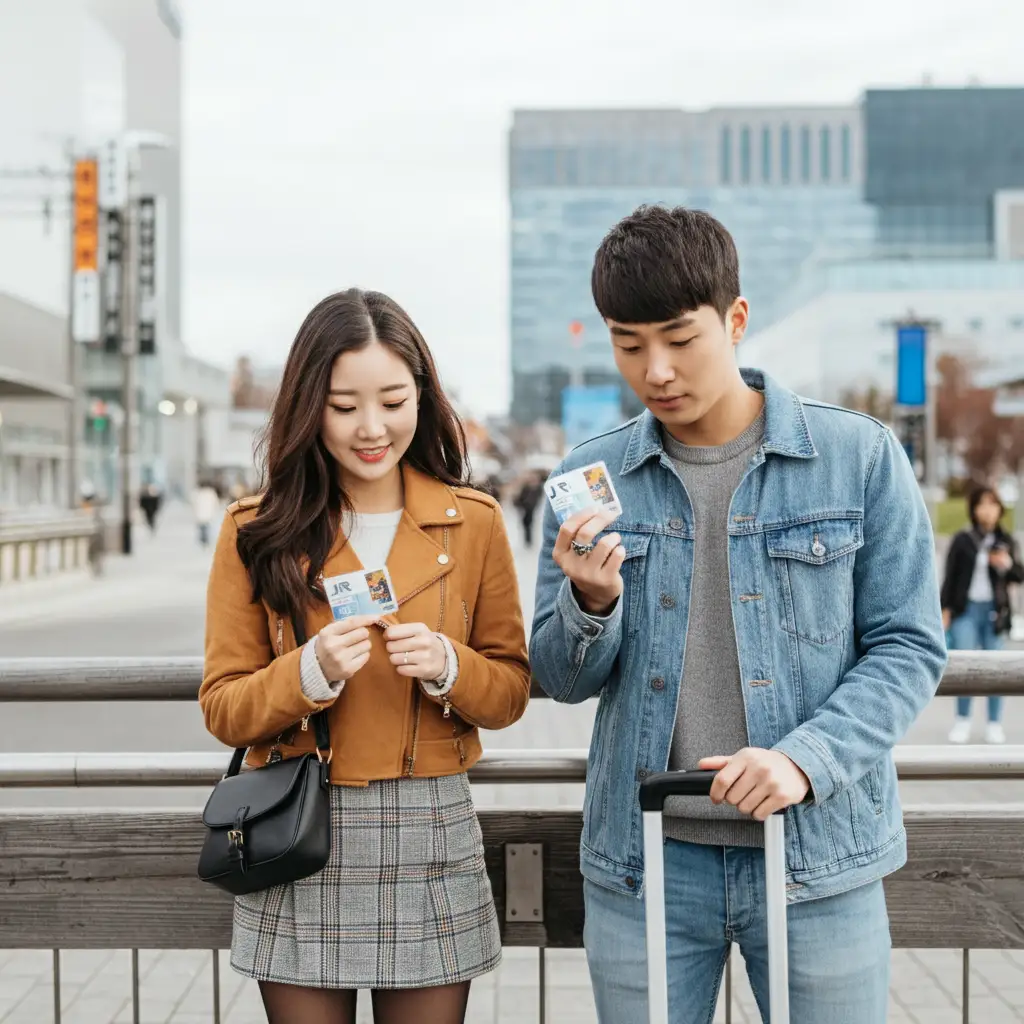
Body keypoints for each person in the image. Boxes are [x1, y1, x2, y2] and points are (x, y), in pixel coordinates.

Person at [529, 206, 947, 1024]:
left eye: (680, 340)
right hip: (647, 861)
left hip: (818, 855)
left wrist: (803, 760)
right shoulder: (589, 476)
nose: (655, 370)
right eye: (628, 343)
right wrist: (590, 601)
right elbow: (559, 678)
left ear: (737, 319)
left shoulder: (857, 457)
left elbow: (908, 646)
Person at [199, 288, 531, 1024]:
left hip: (429, 822)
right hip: (298, 818)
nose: (372, 428)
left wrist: (449, 664)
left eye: (392, 400)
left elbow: (508, 691)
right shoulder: (256, 529)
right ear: (307, 405)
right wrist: (310, 671)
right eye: (344, 406)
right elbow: (224, 705)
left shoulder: (472, 522)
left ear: (424, 396)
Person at [943, 485, 1023, 744]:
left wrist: (1006, 563)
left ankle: (994, 722)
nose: (987, 510)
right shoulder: (963, 539)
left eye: (992, 504)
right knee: (965, 667)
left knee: (997, 669)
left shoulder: (1007, 541)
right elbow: (950, 578)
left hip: (994, 612)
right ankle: (963, 720)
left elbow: (1019, 575)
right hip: (966, 611)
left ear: (1000, 509)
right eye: (982, 505)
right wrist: (945, 612)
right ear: (974, 510)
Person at [512, 473, 543, 548]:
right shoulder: (526, 487)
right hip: (525, 508)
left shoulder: (538, 488)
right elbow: (520, 498)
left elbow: (538, 499)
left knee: (529, 524)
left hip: (531, 508)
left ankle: (529, 540)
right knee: (525, 524)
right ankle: (527, 540)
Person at [191, 479, 221, 547]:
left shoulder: (198, 492)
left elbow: (194, 503)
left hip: (200, 514)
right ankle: (206, 541)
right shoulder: (211, 492)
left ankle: (203, 540)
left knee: (202, 527)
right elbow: (216, 503)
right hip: (208, 514)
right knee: (207, 527)